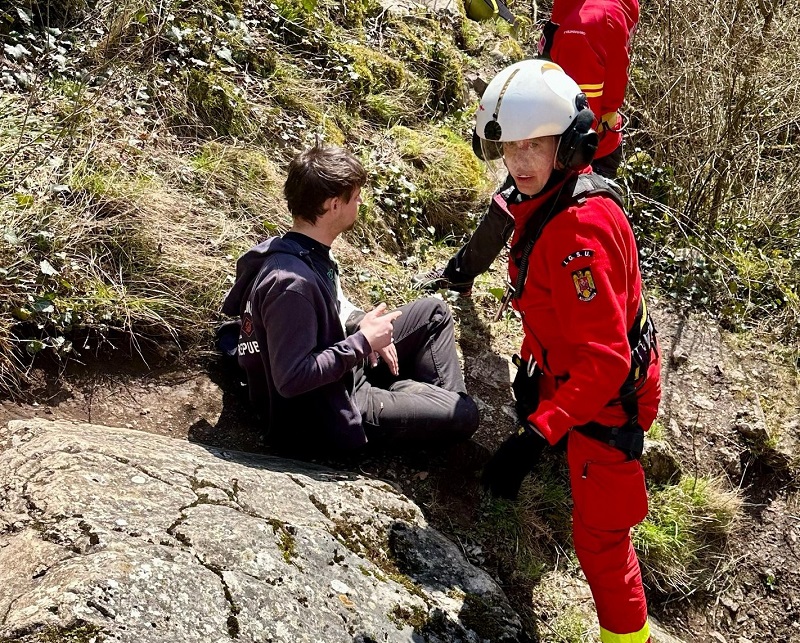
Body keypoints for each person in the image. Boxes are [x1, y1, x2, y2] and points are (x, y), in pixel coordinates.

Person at [474, 59, 661, 643]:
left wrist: (539, 433)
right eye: (510, 147)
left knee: (601, 541)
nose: (521, 162)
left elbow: (603, 361)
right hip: (574, 371)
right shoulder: (551, 199)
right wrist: (536, 365)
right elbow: (554, 308)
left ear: (571, 145)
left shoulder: (575, 232)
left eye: (537, 145)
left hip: (609, 402)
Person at [221, 144, 479, 455]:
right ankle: (423, 407)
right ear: (333, 205)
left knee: (433, 312)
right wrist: (364, 343)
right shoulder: (291, 285)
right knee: (464, 414)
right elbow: (291, 379)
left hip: (339, 368)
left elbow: (334, 311)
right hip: (329, 406)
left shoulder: (304, 251)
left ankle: (424, 406)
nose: (360, 203)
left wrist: (362, 323)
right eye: (355, 198)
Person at [414, 0, 639, 295]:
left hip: (564, 149)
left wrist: (542, 150)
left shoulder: (582, 27)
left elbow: (577, 111)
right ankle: (465, 275)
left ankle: (466, 277)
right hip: (595, 142)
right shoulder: (595, 8)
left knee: (516, 212)